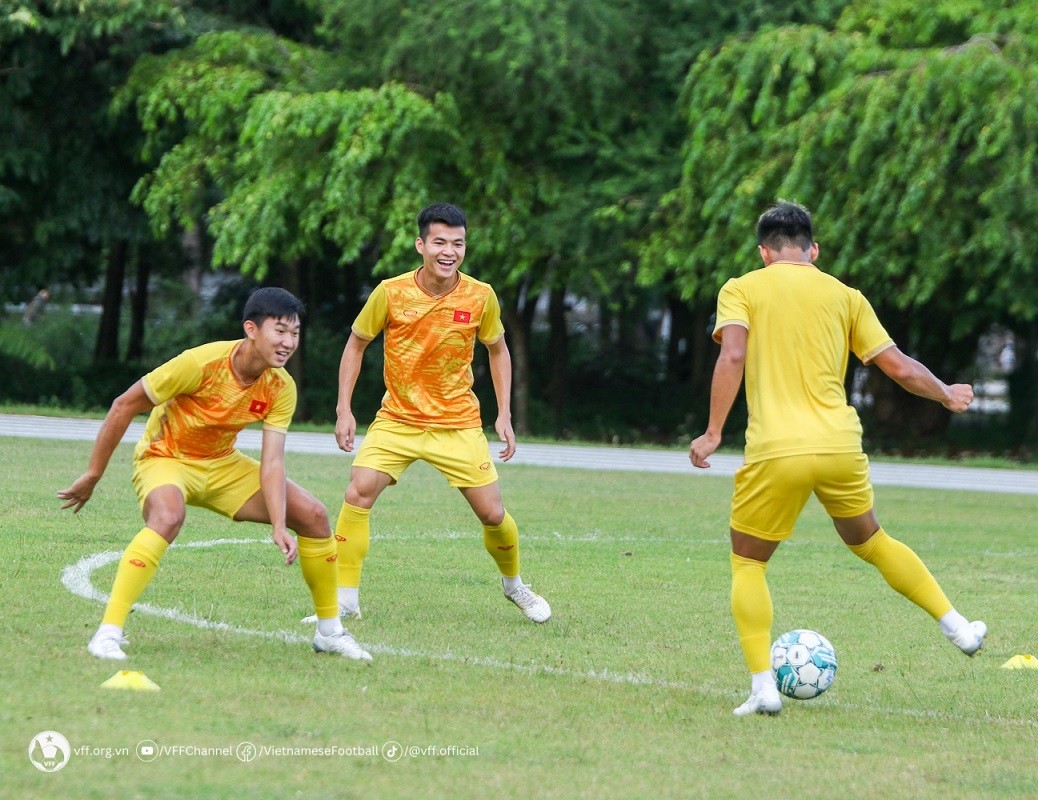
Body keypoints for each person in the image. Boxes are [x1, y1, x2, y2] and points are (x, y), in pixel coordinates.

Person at [689, 200, 986, 717]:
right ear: (814, 250)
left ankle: (763, 687)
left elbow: (733, 355)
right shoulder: (846, 296)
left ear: (764, 253)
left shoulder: (741, 288)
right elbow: (897, 366)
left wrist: (714, 431)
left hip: (777, 449)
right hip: (839, 446)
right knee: (872, 541)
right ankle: (958, 626)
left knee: (749, 562)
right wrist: (945, 393)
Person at [58, 287, 371, 662]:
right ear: (251, 329)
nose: (289, 342)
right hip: (166, 456)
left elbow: (272, 462)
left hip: (222, 463)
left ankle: (330, 632)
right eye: (280, 331)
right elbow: (123, 405)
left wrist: (279, 524)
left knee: (314, 515)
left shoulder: (281, 386)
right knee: (167, 518)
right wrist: (93, 474)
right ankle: (108, 633)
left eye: (295, 333)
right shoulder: (199, 363)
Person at [311, 202, 551, 625]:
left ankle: (514, 585)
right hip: (398, 419)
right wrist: (343, 408)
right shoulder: (390, 292)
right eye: (439, 242)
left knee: (492, 514)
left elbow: (498, 350)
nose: (449, 251)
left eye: (458, 243)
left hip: (457, 422)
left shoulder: (480, 296)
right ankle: (346, 600)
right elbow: (356, 344)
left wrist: (504, 414)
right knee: (358, 492)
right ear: (420, 245)